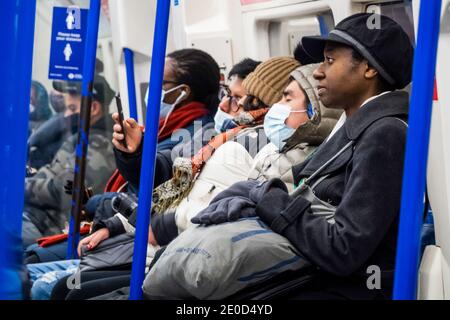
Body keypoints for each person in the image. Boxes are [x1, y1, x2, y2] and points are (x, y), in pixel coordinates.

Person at [192, 13, 414, 300]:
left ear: (369, 68)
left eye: (330, 61)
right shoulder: (352, 127)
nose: (318, 71)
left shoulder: (384, 134)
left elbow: (344, 249)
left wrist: (267, 198)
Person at [22, 76, 117, 248]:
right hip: (38, 217)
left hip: (55, 228)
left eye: (72, 108)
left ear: (94, 108)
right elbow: (51, 173)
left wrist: (20, 187)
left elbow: (64, 191)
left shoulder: (101, 145)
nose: (66, 115)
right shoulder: (82, 138)